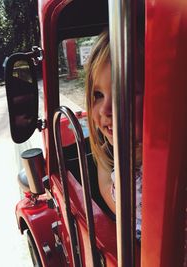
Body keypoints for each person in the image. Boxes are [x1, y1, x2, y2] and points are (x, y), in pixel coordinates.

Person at [85, 30, 142, 240]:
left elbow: (111, 197)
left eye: (123, 92)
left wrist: (102, 159)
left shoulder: (141, 182)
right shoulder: (135, 153)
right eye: (98, 95)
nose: (105, 110)